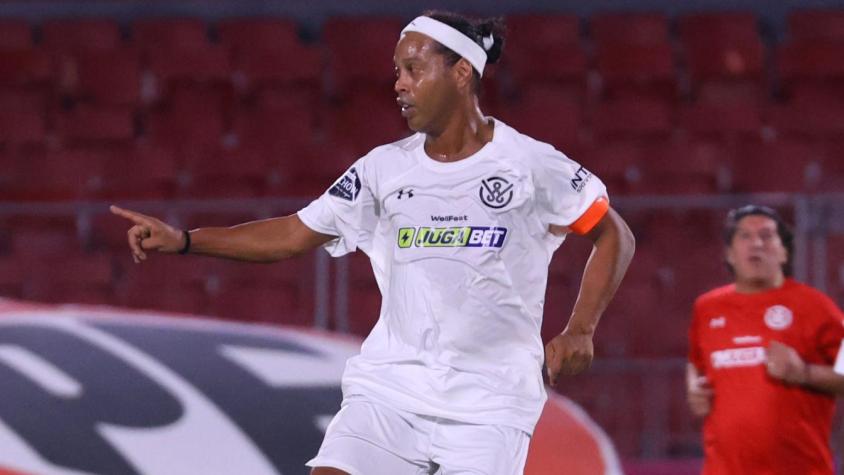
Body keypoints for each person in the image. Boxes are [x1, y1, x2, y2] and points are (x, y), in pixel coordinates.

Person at [112, 11, 635, 475]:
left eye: (413, 68)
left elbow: (614, 233)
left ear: (460, 73)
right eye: (396, 72)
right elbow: (295, 232)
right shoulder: (383, 169)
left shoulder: (530, 164)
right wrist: (184, 241)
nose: (399, 85)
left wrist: (580, 330)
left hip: (489, 403)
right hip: (390, 391)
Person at [687, 205, 844, 475]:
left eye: (767, 235)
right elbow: (695, 361)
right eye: (745, 236)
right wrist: (693, 388)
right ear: (729, 254)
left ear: (784, 252)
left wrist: (804, 373)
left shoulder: (816, 307)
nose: (756, 243)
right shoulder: (707, 308)